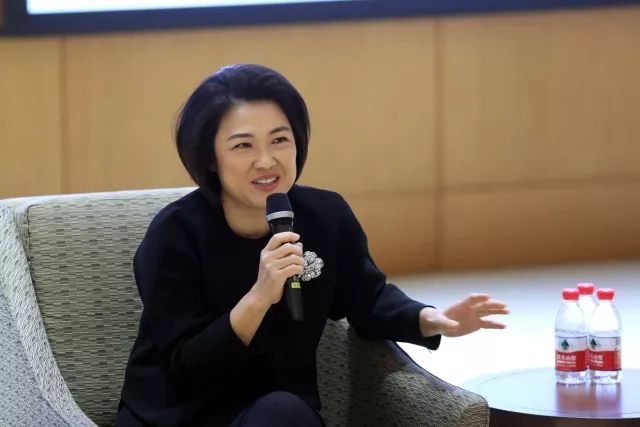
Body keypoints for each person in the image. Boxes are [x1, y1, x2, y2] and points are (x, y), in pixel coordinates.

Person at [117, 64, 509, 427]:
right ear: (211, 159)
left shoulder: (324, 216)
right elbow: (188, 368)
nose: (266, 160)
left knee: (282, 410)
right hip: (182, 415)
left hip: (280, 413)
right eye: (243, 146)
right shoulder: (175, 233)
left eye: (279, 140)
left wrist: (433, 319)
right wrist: (259, 297)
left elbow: (367, 300)